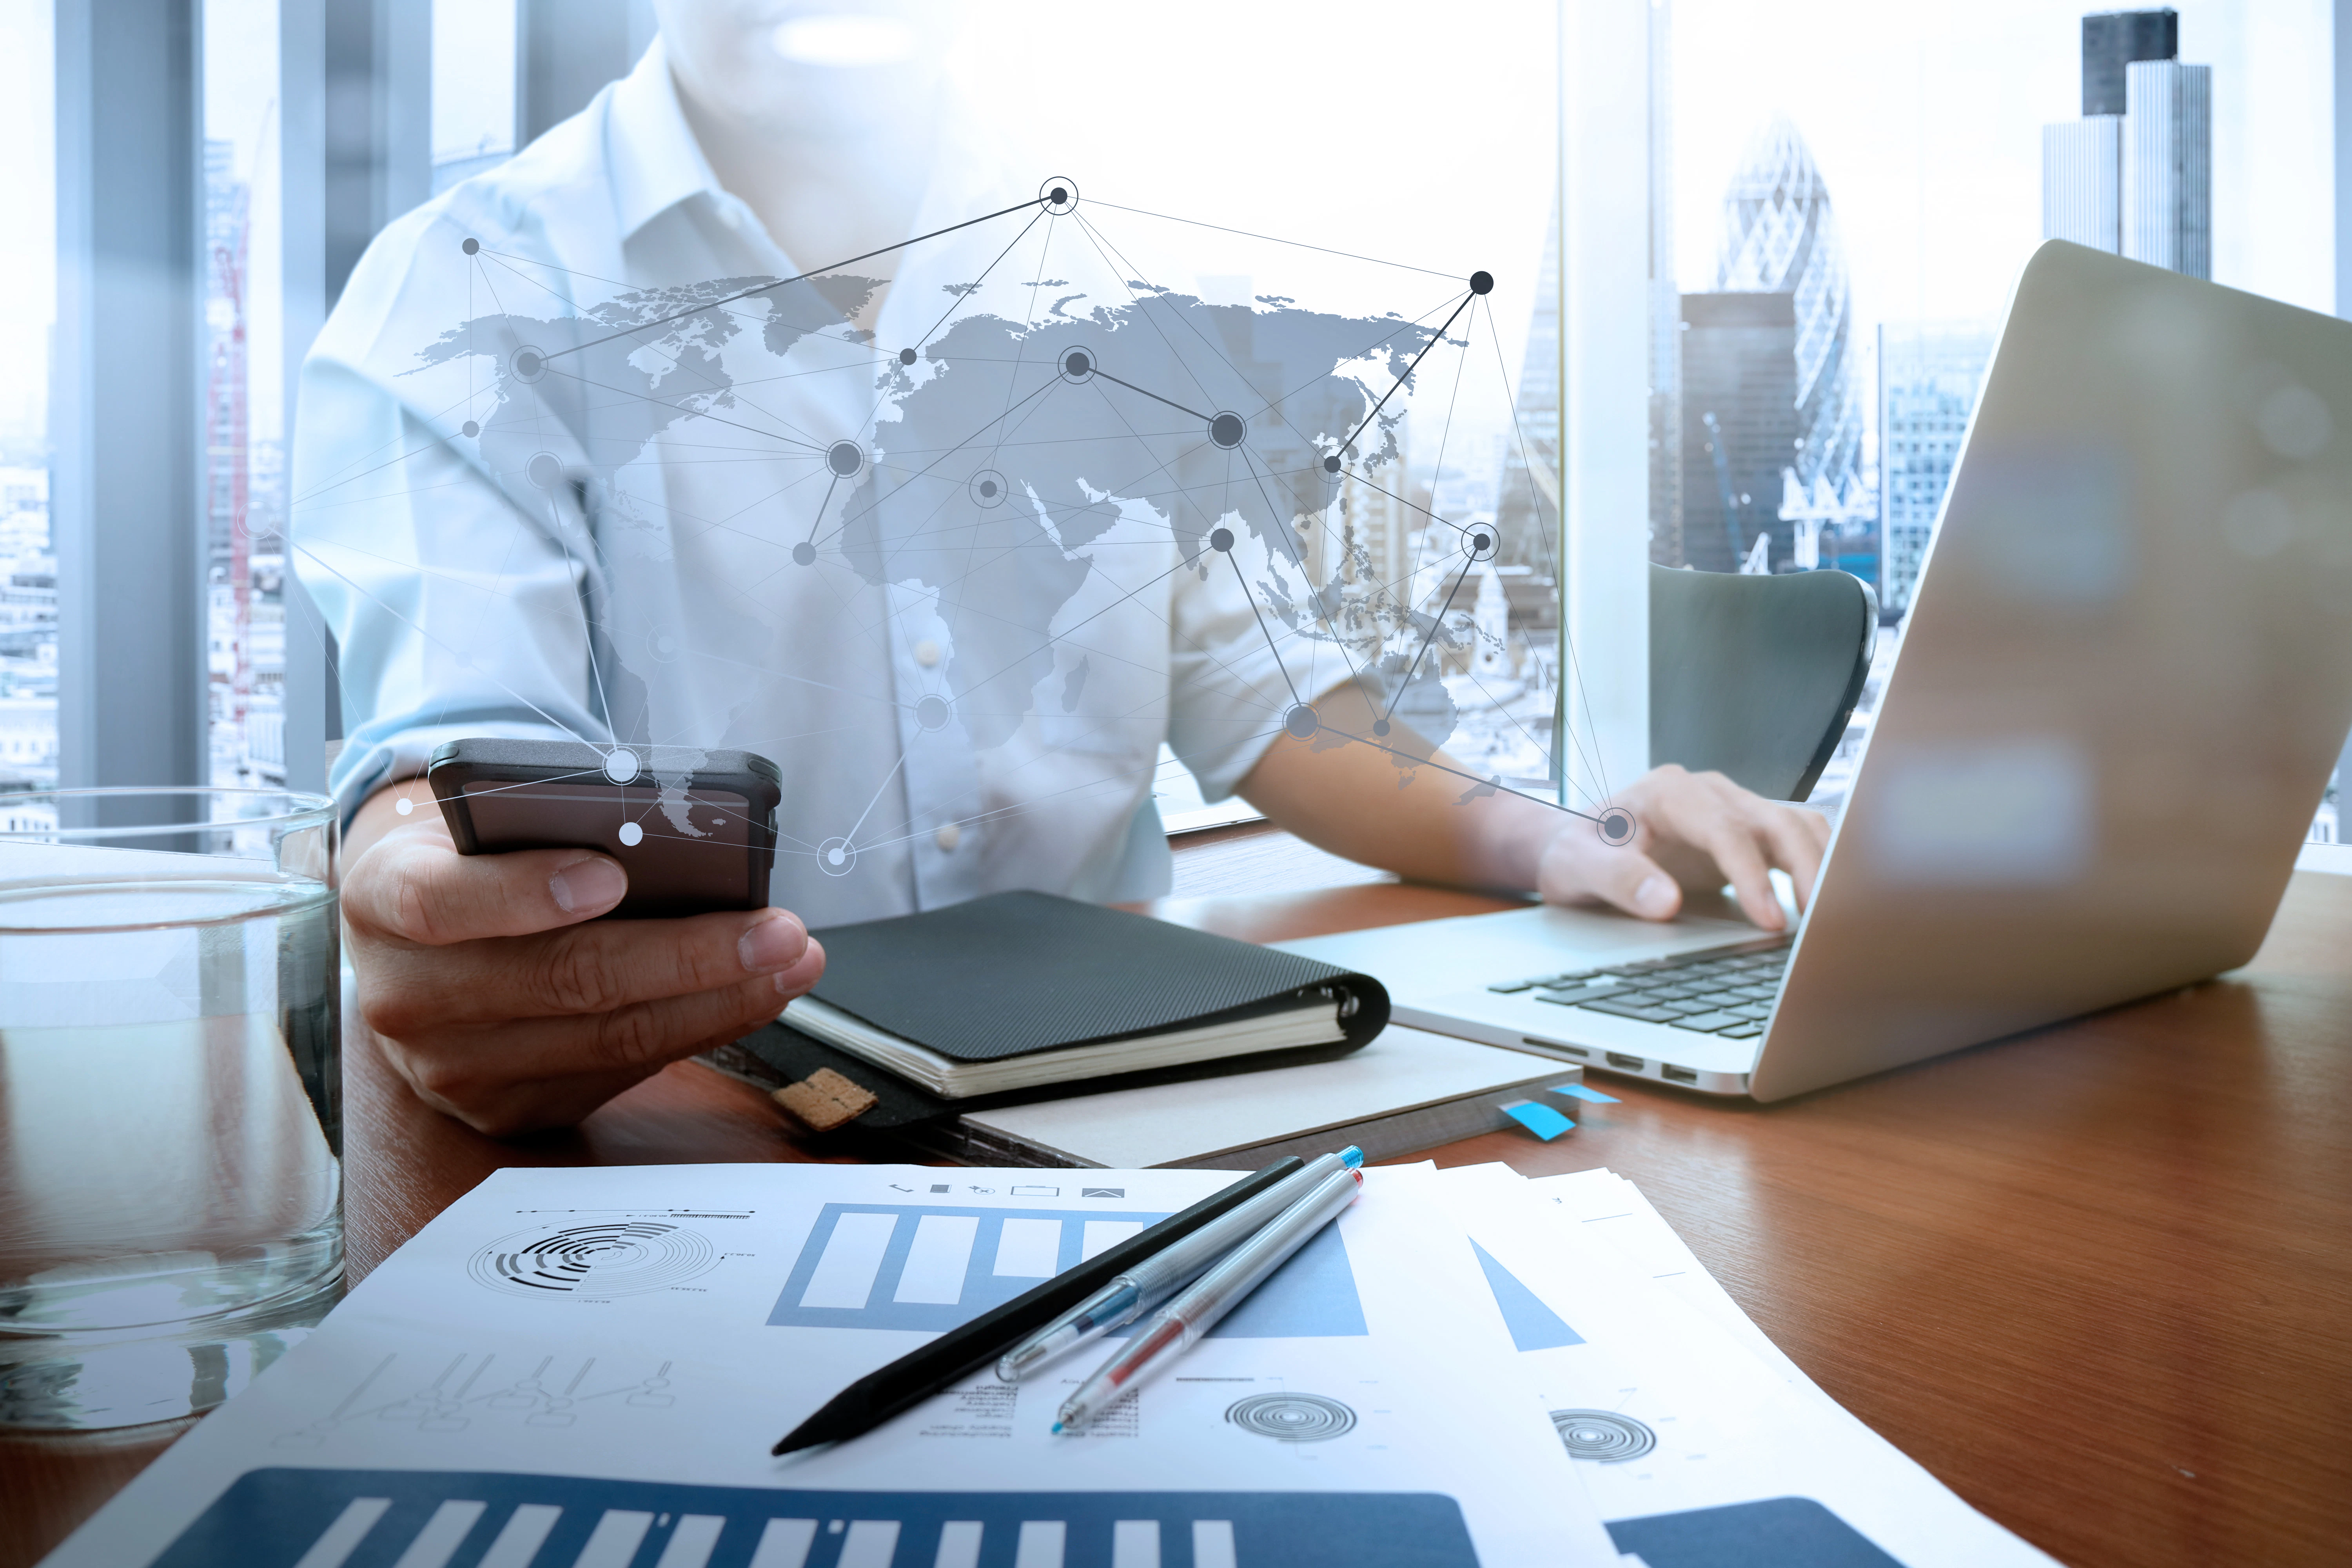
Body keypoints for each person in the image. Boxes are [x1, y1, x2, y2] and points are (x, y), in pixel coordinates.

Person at [298, 1, 1829, 1136]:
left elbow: (1272, 702)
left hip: (1155, 1116)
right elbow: (453, 768)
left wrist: (1572, 838)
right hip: (702, 1127)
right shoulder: (472, 293)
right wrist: (429, 891)